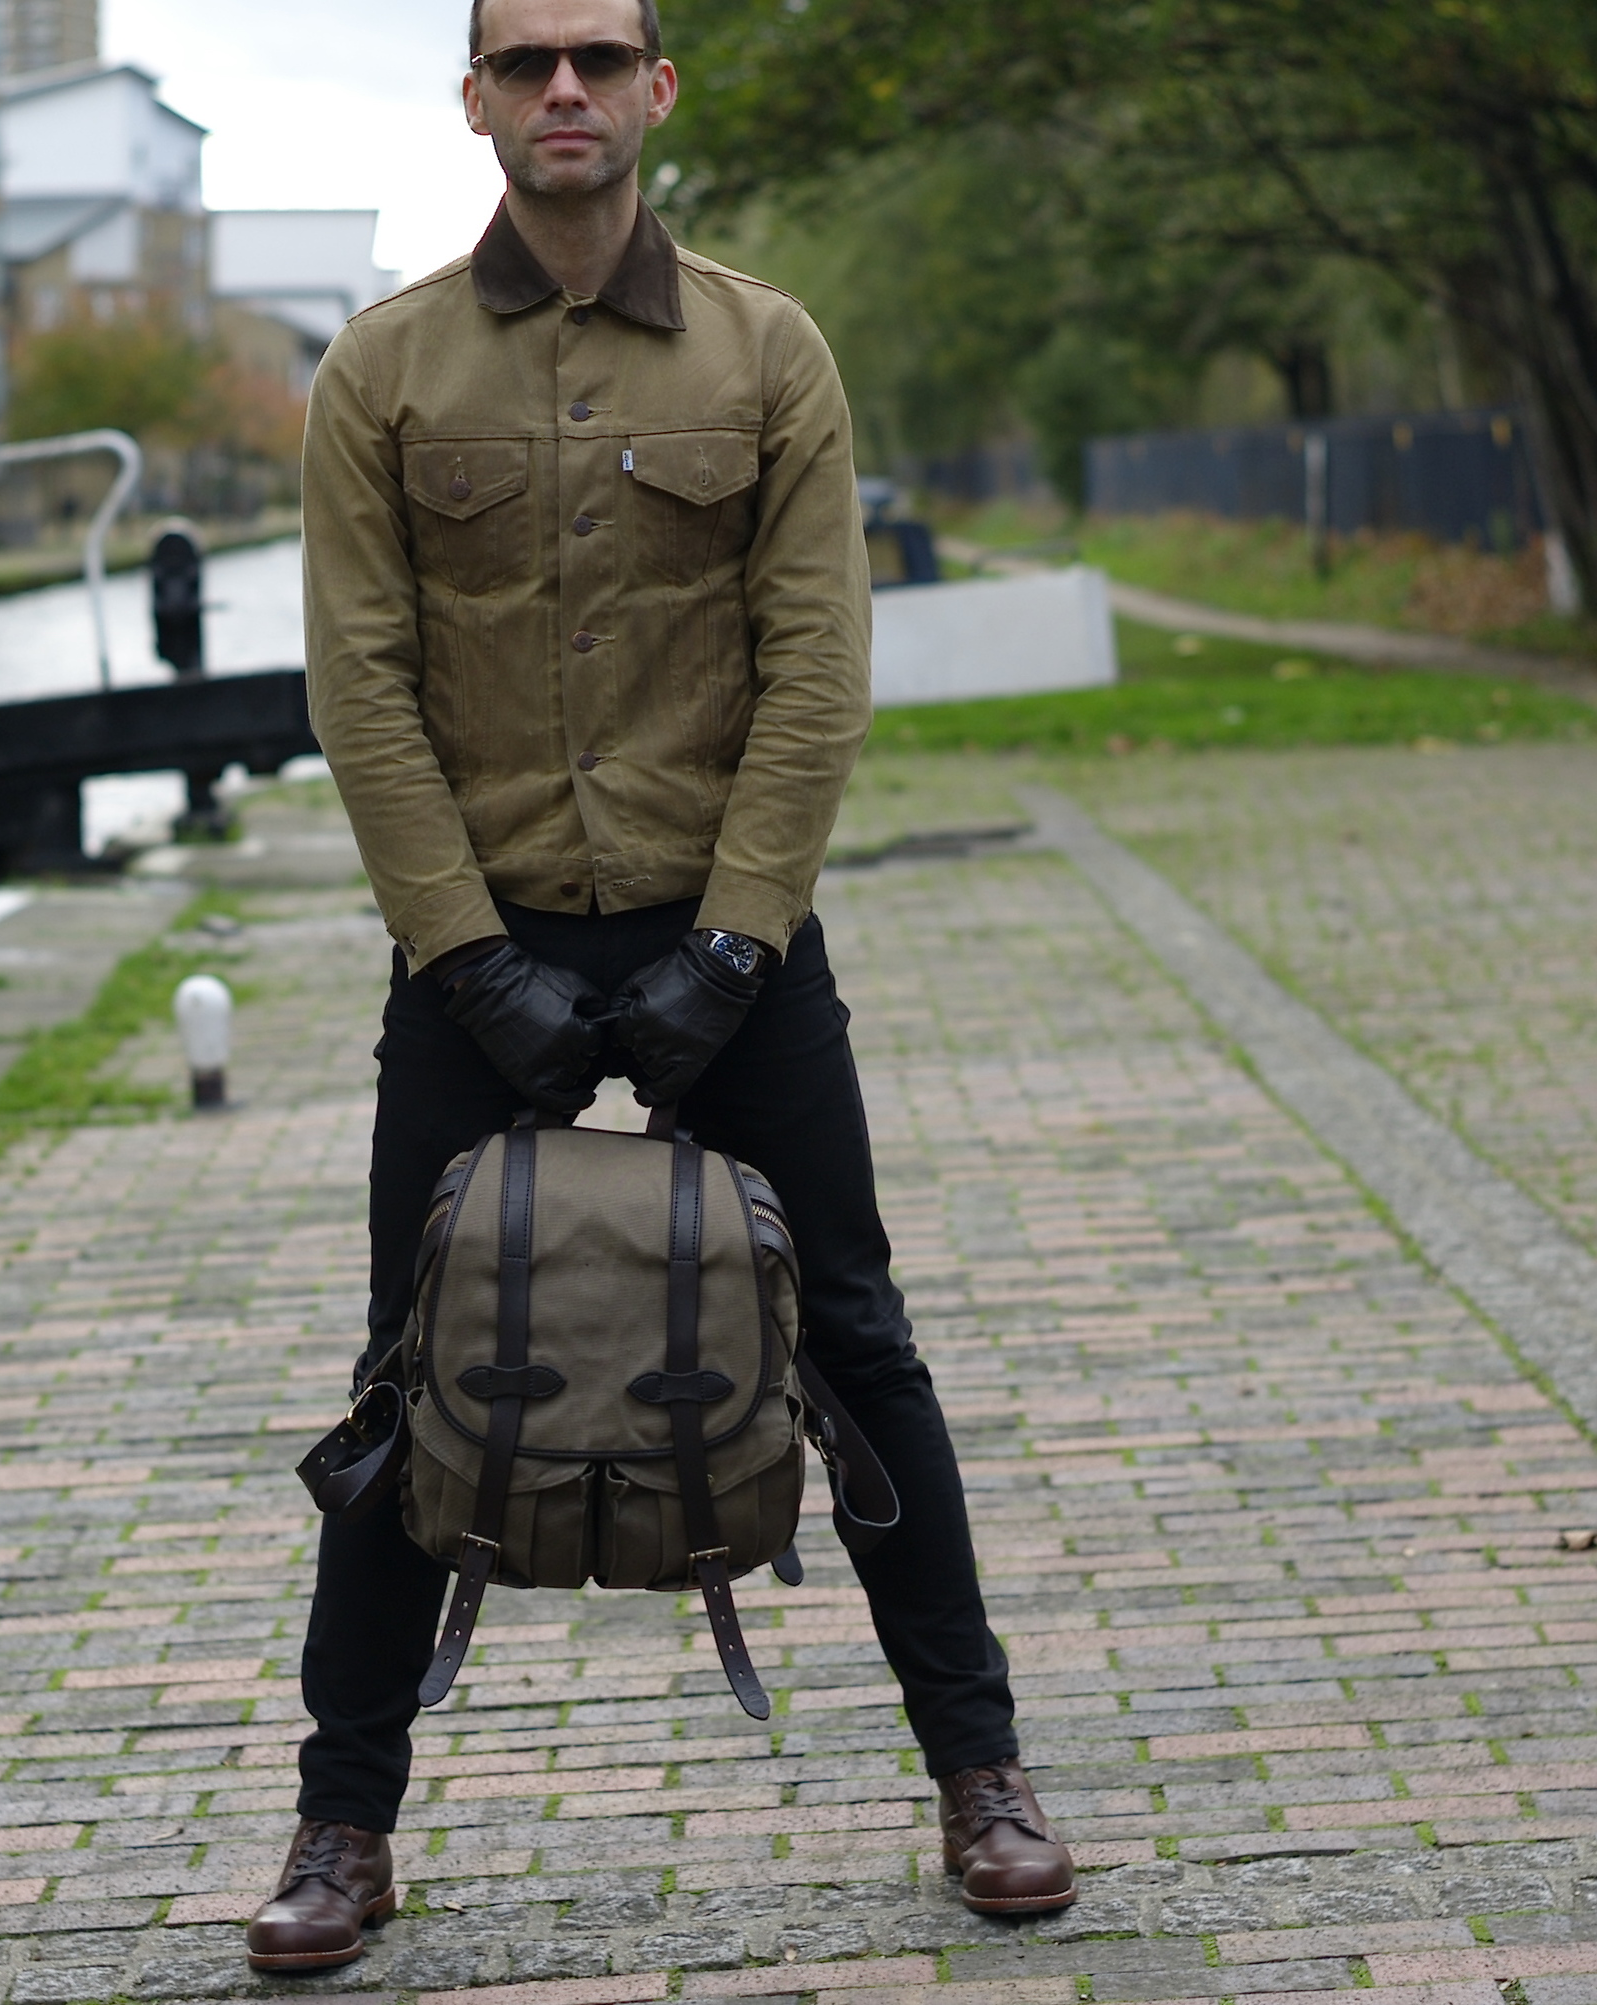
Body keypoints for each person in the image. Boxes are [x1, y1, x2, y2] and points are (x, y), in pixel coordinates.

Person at [246, 0, 1077, 1972]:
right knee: (405, 1368)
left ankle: (982, 1775)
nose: (566, 90)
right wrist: (468, 957)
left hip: (731, 939)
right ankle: (340, 1828)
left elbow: (817, 661)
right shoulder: (381, 371)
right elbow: (359, 686)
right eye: (526, 61)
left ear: (653, 91)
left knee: (855, 1340)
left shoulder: (766, 351)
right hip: (483, 945)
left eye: (599, 60)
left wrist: (734, 942)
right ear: (472, 100)